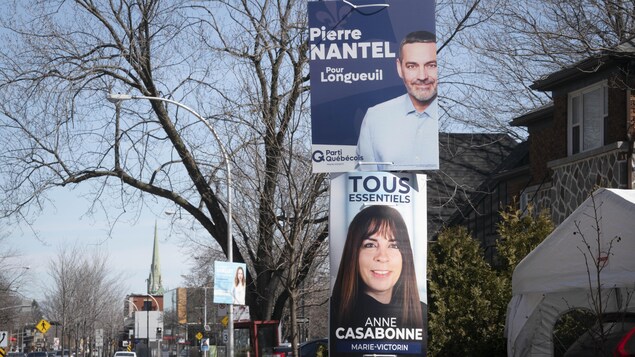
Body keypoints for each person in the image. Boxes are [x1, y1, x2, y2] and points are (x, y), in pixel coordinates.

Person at [330, 205, 427, 356]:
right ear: (353, 254)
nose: (382, 256)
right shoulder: (336, 311)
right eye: (370, 245)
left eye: (393, 245)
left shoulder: (421, 313)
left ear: (404, 256)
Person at [356, 30, 439, 171]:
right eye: (412, 66)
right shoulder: (375, 117)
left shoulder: (455, 118)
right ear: (399, 68)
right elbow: (365, 180)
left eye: (431, 65)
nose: (422, 76)